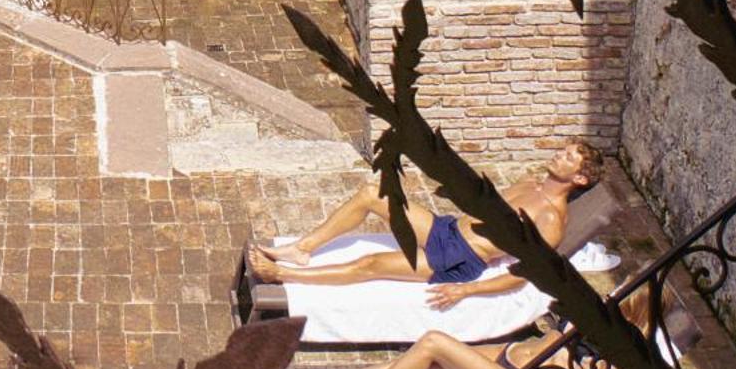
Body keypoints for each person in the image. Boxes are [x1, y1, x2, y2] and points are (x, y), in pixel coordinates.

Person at [249, 141, 604, 305]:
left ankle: (282, 275)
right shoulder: (530, 183)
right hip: (447, 229)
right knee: (375, 192)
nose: (559, 153)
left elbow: (521, 275)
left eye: (569, 156)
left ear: (581, 180)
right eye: (564, 149)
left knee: (369, 265)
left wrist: (466, 290)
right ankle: (301, 250)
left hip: (457, 259)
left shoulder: (551, 220)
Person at [285, 282, 674, 369]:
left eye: (627, 291)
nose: (617, 291)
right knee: (421, 362)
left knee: (433, 342)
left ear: (640, 306)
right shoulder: (596, 317)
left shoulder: (629, 352)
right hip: (510, 358)